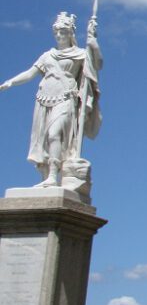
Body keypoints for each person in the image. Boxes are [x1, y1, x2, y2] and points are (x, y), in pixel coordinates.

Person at [0, 10, 101, 188]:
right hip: (44, 99)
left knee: (55, 133)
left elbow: (97, 64)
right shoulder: (48, 56)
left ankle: (54, 175)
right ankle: (46, 176)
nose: (59, 35)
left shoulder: (80, 53)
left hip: (66, 98)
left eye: (63, 32)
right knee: (45, 139)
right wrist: (10, 82)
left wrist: (93, 41)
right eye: (56, 32)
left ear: (71, 33)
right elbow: (30, 73)